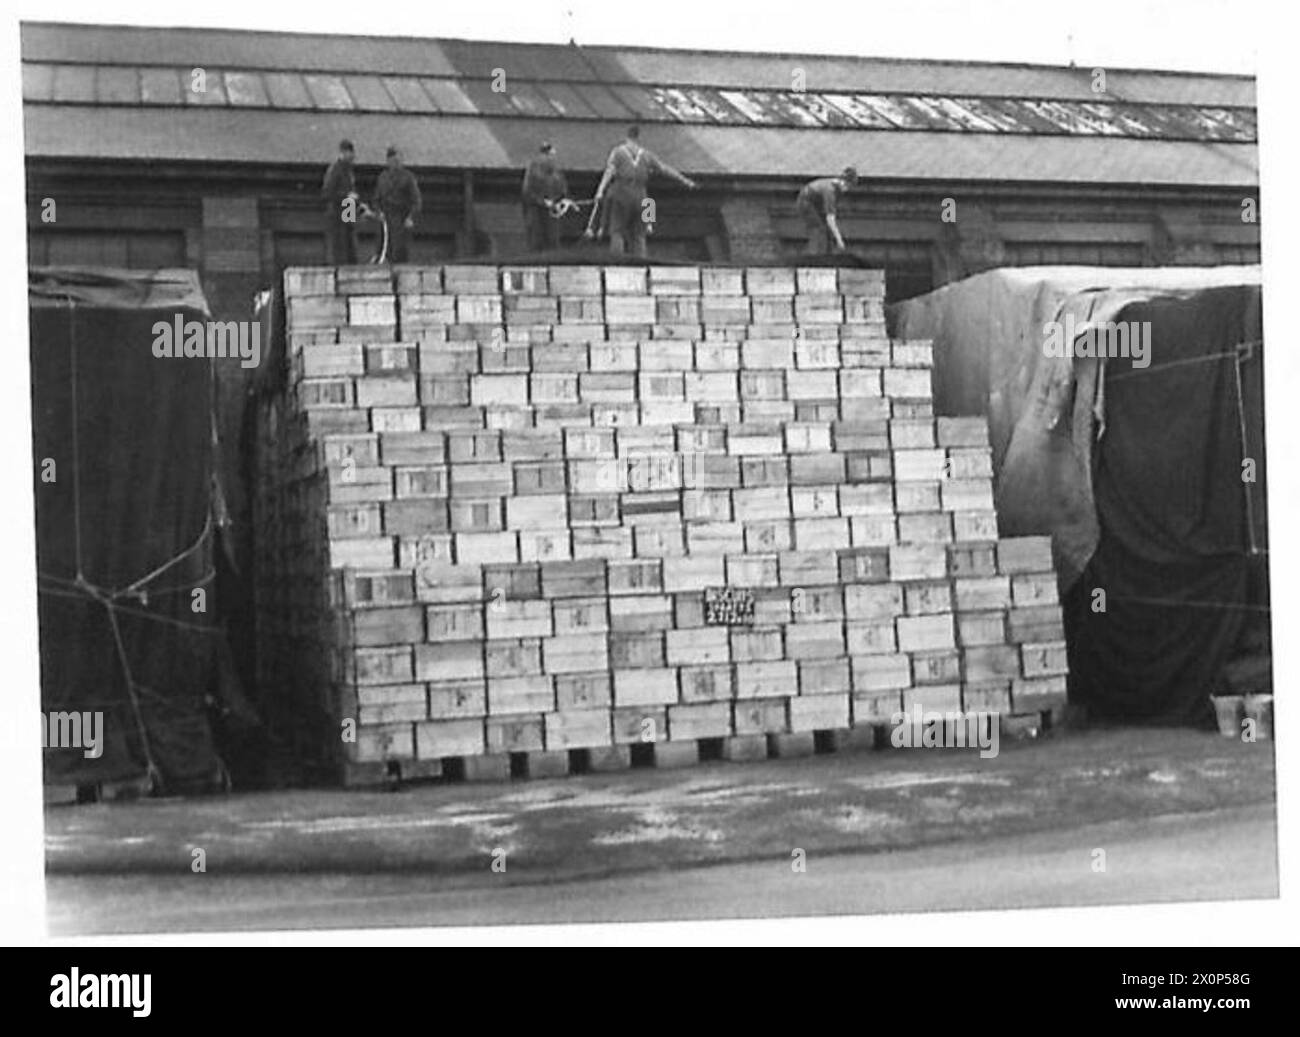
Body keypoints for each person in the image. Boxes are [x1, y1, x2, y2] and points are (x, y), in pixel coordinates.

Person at [588, 126, 697, 257]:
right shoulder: (647, 155)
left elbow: (609, 172)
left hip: (621, 193)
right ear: (638, 138)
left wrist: (600, 191)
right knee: (640, 234)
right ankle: (641, 262)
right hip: (642, 197)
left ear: (626, 137)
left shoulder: (618, 152)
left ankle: (617, 262)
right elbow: (664, 169)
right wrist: (685, 180)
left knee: (617, 231)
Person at [374, 145, 422, 263]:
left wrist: (410, 217)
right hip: (385, 218)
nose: (396, 163)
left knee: (400, 250)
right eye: (393, 160)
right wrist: (379, 212)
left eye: (398, 160)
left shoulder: (408, 177)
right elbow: (376, 198)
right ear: (388, 161)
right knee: (384, 249)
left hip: (401, 218)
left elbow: (416, 200)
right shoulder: (382, 177)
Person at [796, 166, 858, 255]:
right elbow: (830, 219)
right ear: (842, 181)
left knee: (827, 231)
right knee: (818, 229)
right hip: (805, 203)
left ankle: (827, 255)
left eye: (849, 187)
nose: (847, 189)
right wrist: (839, 239)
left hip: (816, 204)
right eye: (847, 185)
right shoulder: (830, 191)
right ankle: (814, 256)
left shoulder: (837, 189)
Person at [521, 141, 569, 252]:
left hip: (552, 211)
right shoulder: (533, 168)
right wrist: (543, 201)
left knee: (552, 240)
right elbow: (527, 192)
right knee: (537, 239)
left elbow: (563, 189)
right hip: (536, 210)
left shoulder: (556, 171)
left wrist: (559, 202)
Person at [321, 139, 358, 265]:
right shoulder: (335, 169)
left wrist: (357, 205)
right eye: (350, 153)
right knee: (340, 247)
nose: (352, 157)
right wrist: (346, 196)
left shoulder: (349, 171)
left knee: (350, 244)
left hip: (348, 210)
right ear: (343, 153)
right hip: (337, 212)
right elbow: (327, 193)